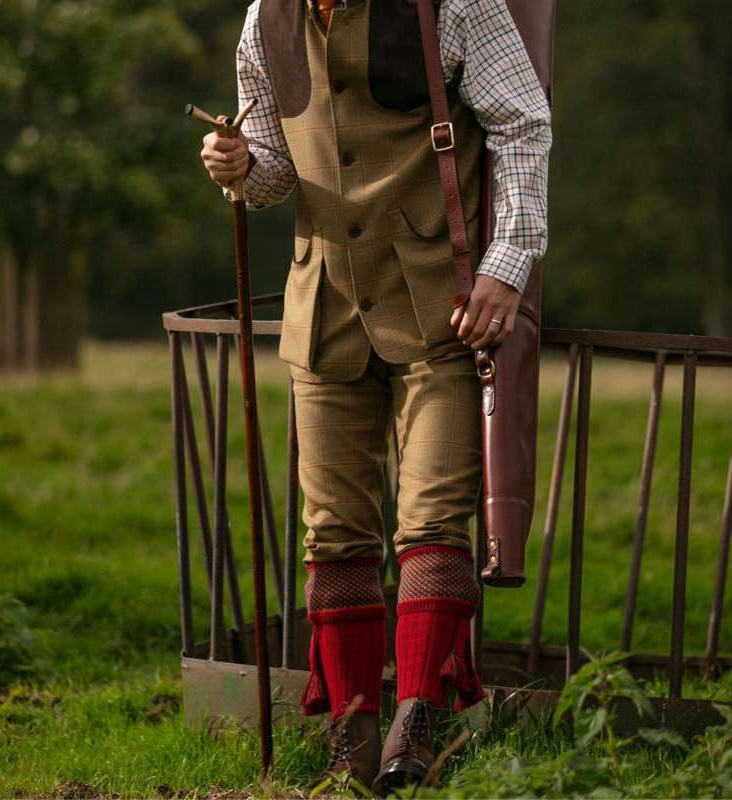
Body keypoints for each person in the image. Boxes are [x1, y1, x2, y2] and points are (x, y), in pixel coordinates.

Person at [200, 0, 551, 793]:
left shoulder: (453, 3)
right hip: (322, 305)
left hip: (442, 307)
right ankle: (352, 734)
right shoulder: (267, 20)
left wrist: (506, 264)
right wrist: (240, 167)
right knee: (333, 532)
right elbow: (278, 166)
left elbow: (524, 123)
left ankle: (418, 718)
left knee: (432, 518)